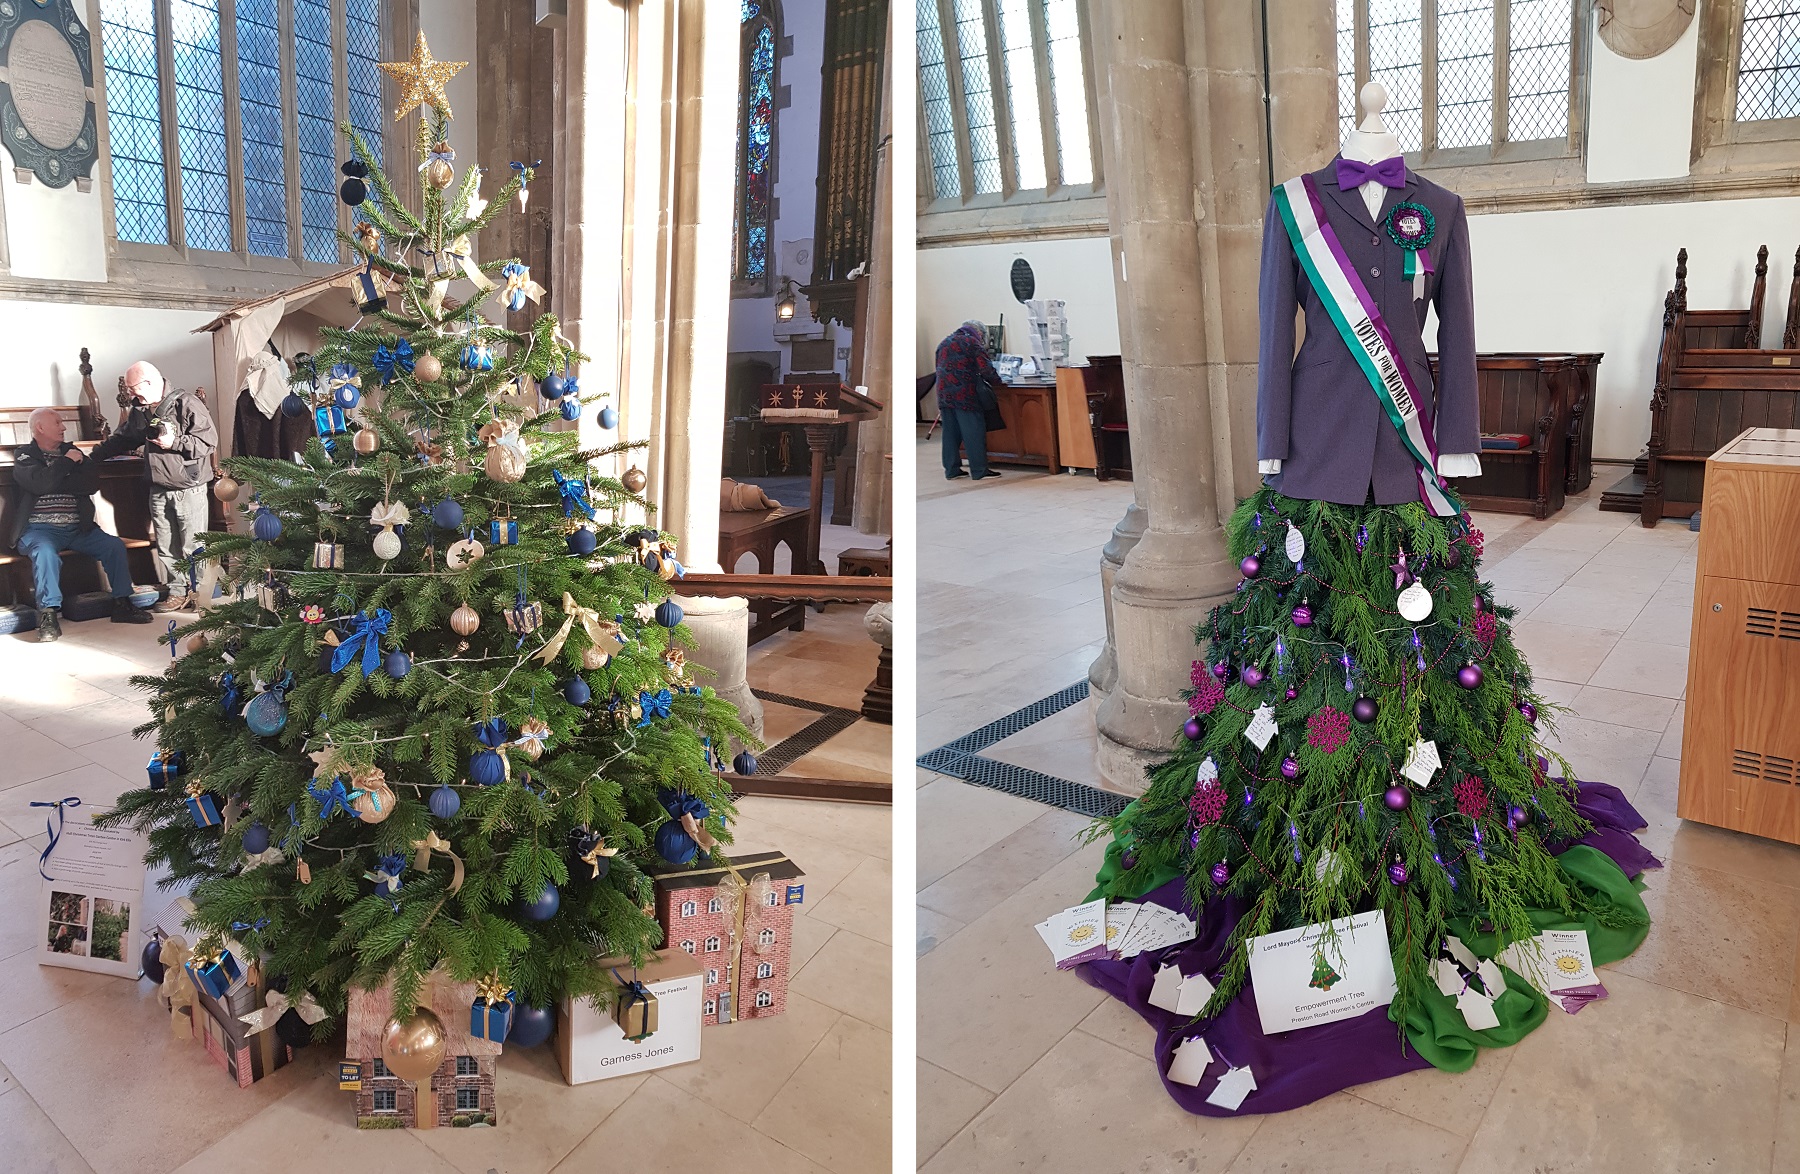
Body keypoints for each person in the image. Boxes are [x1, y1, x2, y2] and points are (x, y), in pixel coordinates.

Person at [10, 408, 154, 641]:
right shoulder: (25, 455)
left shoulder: (73, 451)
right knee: (45, 554)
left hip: (79, 528)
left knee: (113, 546)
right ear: (40, 428)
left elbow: (90, 484)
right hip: (40, 530)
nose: (63, 427)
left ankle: (122, 604)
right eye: (57, 423)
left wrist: (53, 479)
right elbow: (39, 485)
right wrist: (66, 465)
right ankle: (48, 615)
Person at [110, 361, 217, 612]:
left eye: (132, 388)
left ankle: (201, 595)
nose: (130, 394)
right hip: (157, 487)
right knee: (167, 547)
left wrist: (175, 441)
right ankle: (178, 592)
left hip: (187, 487)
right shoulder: (141, 408)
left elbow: (207, 442)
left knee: (194, 545)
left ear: (148, 382)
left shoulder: (187, 403)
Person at [933, 320, 1005, 481]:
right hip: (965, 394)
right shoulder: (971, 342)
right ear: (979, 333)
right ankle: (979, 470)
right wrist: (998, 382)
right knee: (974, 431)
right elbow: (985, 368)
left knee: (950, 433)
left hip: (944, 394)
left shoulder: (944, 342)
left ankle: (952, 470)